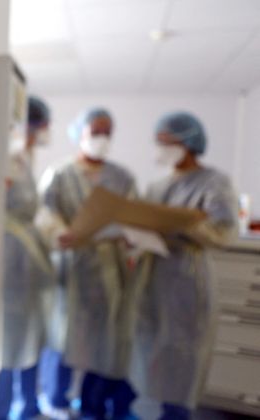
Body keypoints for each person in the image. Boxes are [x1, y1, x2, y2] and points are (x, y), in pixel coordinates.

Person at [130, 112, 238, 420]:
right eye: (158, 142)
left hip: (189, 278)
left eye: (168, 142)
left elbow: (224, 232)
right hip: (154, 275)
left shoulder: (214, 182)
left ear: (189, 142)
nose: (161, 148)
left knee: (184, 355)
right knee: (154, 351)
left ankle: (176, 414)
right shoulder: (156, 186)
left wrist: (185, 226)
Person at [37, 108, 137, 420]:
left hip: (109, 265)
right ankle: (56, 398)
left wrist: (133, 236)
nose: (102, 139)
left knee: (106, 337)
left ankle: (92, 403)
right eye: (96, 132)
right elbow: (44, 213)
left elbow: (134, 216)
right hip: (71, 263)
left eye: (108, 132)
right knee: (63, 334)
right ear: (79, 133)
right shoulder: (60, 173)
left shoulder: (122, 177)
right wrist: (59, 232)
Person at [0, 96, 54, 420]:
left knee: (29, 334)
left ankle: (29, 405)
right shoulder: (6, 157)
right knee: (6, 341)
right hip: (9, 259)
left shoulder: (23, 158)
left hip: (26, 259)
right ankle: (0, 411)